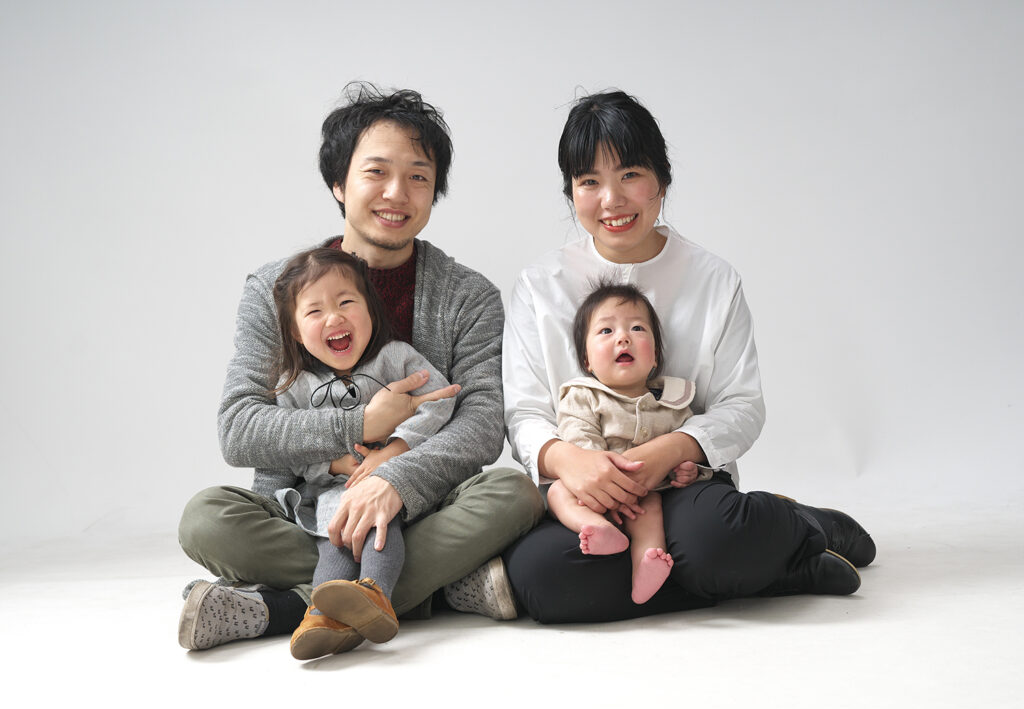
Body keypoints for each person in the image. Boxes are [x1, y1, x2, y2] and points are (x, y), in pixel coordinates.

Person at [177, 83, 544, 651]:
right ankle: (432, 589)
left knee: (514, 494)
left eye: (418, 176)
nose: (397, 193)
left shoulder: (468, 296)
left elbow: (481, 423)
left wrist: (394, 475)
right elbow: (240, 428)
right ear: (338, 183)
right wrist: (361, 426)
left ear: (435, 191)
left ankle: (284, 608)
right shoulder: (275, 289)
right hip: (306, 510)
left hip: (425, 506)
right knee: (205, 519)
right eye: (376, 172)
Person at [502, 90, 876, 624]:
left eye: (630, 174)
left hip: (684, 484)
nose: (611, 199)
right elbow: (524, 412)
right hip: (587, 489)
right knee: (542, 579)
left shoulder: (713, 279)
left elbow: (742, 405)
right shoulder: (541, 284)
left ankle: (803, 528)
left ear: (662, 180)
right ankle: (777, 569)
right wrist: (569, 461)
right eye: (589, 182)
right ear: (571, 192)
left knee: (711, 541)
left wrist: (672, 449)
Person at [271, 247, 457, 659]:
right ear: (297, 332)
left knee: (379, 524)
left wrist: (395, 448)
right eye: (315, 311)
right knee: (335, 536)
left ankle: (375, 594)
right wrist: (334, 463)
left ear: (370, 311)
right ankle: (322, 614)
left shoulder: (396, 358)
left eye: (345, 302)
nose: (333, 318)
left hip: (397, 482)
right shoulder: (294, 386)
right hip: (334, 490)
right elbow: (291, 450)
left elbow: (440, 398)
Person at [549, 281, 708, 605]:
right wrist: (606, 483)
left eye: (637, 328)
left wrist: (690, 470)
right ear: (587, 360)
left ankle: (647, 562)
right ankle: (597, 529)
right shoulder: (583, 395)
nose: (623, 338)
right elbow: (578, 437)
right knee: (557, 492)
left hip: (642, 496)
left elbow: (689, 446)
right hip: (589, 492)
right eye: (606, 331)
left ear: (655, 356)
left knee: (651, 508)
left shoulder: (674, 402)